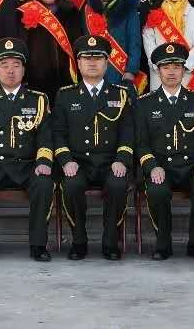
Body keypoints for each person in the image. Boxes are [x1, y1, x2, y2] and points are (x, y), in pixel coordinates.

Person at [0, 38, 54, 262]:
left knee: (44, 183)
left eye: (16, 65)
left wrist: (44, 162)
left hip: (27, 166)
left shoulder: (38, 100)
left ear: (24, 70)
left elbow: (45, 137)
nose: (10, 71)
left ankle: (38, 245)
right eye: (4, 66)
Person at [53, 35, 135, 261]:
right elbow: (58, 133)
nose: (92, 63)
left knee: (118, 184)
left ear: (107, 63)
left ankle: (110, 242)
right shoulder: (65, 95)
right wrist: (66, 161)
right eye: (87, 58)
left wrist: (122, 159)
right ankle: (79, 241)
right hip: (78, 161)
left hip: (110, 162)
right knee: (71, 185)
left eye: (98, 58)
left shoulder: (121, 94)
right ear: (78, 64)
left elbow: (128, 132)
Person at [136, 42, 194, 261]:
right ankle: (163, 243)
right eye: (166, 67)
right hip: (161, 166)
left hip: (192, 166)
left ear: (184, 70)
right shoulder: (144, 104)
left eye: (176, 67)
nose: (171, 72)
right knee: (157, 191)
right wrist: (152, 166)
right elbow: (141, 143)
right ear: (157, 70)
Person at [18, 0, 80, 99]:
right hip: (35, 75)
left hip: (64, 75)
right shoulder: (26, 11)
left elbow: (76, 43)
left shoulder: (70, 12)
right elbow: (21, 45)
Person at [82, 0, 143, 88]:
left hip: (121, 72)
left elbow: (134, 42)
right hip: (94, 71)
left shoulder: (128, 7)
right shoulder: (89, 9)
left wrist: (131, 71)